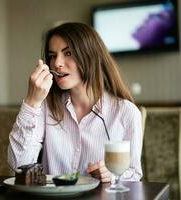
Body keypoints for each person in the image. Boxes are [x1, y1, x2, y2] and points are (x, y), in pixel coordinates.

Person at [8, 22, 143, 182]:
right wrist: (31, 102)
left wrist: (112, 175)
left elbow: (134, 174)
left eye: (68, 53)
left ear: (91, 56)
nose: (57, 63)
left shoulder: (126, 112)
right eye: (52, 56)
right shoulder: (44, 107)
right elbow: (17, 166)